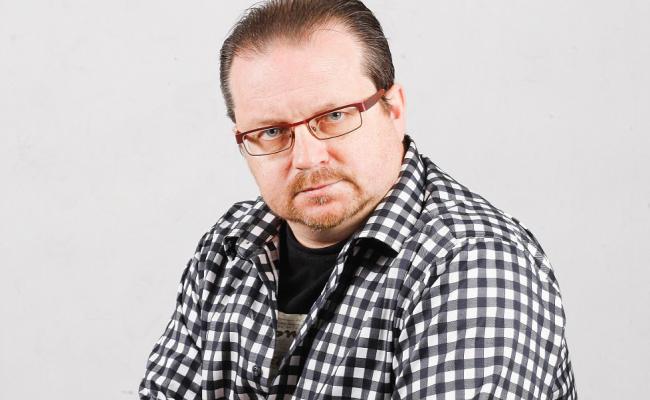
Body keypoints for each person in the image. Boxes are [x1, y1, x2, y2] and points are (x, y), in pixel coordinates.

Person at [139, 0, 577, 398]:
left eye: (334, 116)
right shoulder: (227, 247)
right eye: (271, 131)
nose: (307, 158)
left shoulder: (474, 261)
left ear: (394, 109)